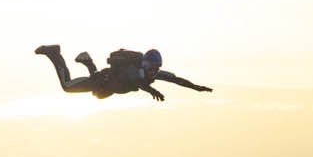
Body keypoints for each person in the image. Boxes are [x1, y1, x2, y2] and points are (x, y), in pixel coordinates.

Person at [33, 45, 211, 101]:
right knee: (67, 86)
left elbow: (177, 80)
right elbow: (139, 83)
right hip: (102, 80)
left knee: (97, 95)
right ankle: (54, 53)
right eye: (149, 67)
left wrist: (197, 88)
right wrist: (152, 91)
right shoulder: (135, 70)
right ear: (144, 63)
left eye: (155, 68)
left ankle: (88, 61)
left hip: (108, 87)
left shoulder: (154, 73)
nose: (152, 72)